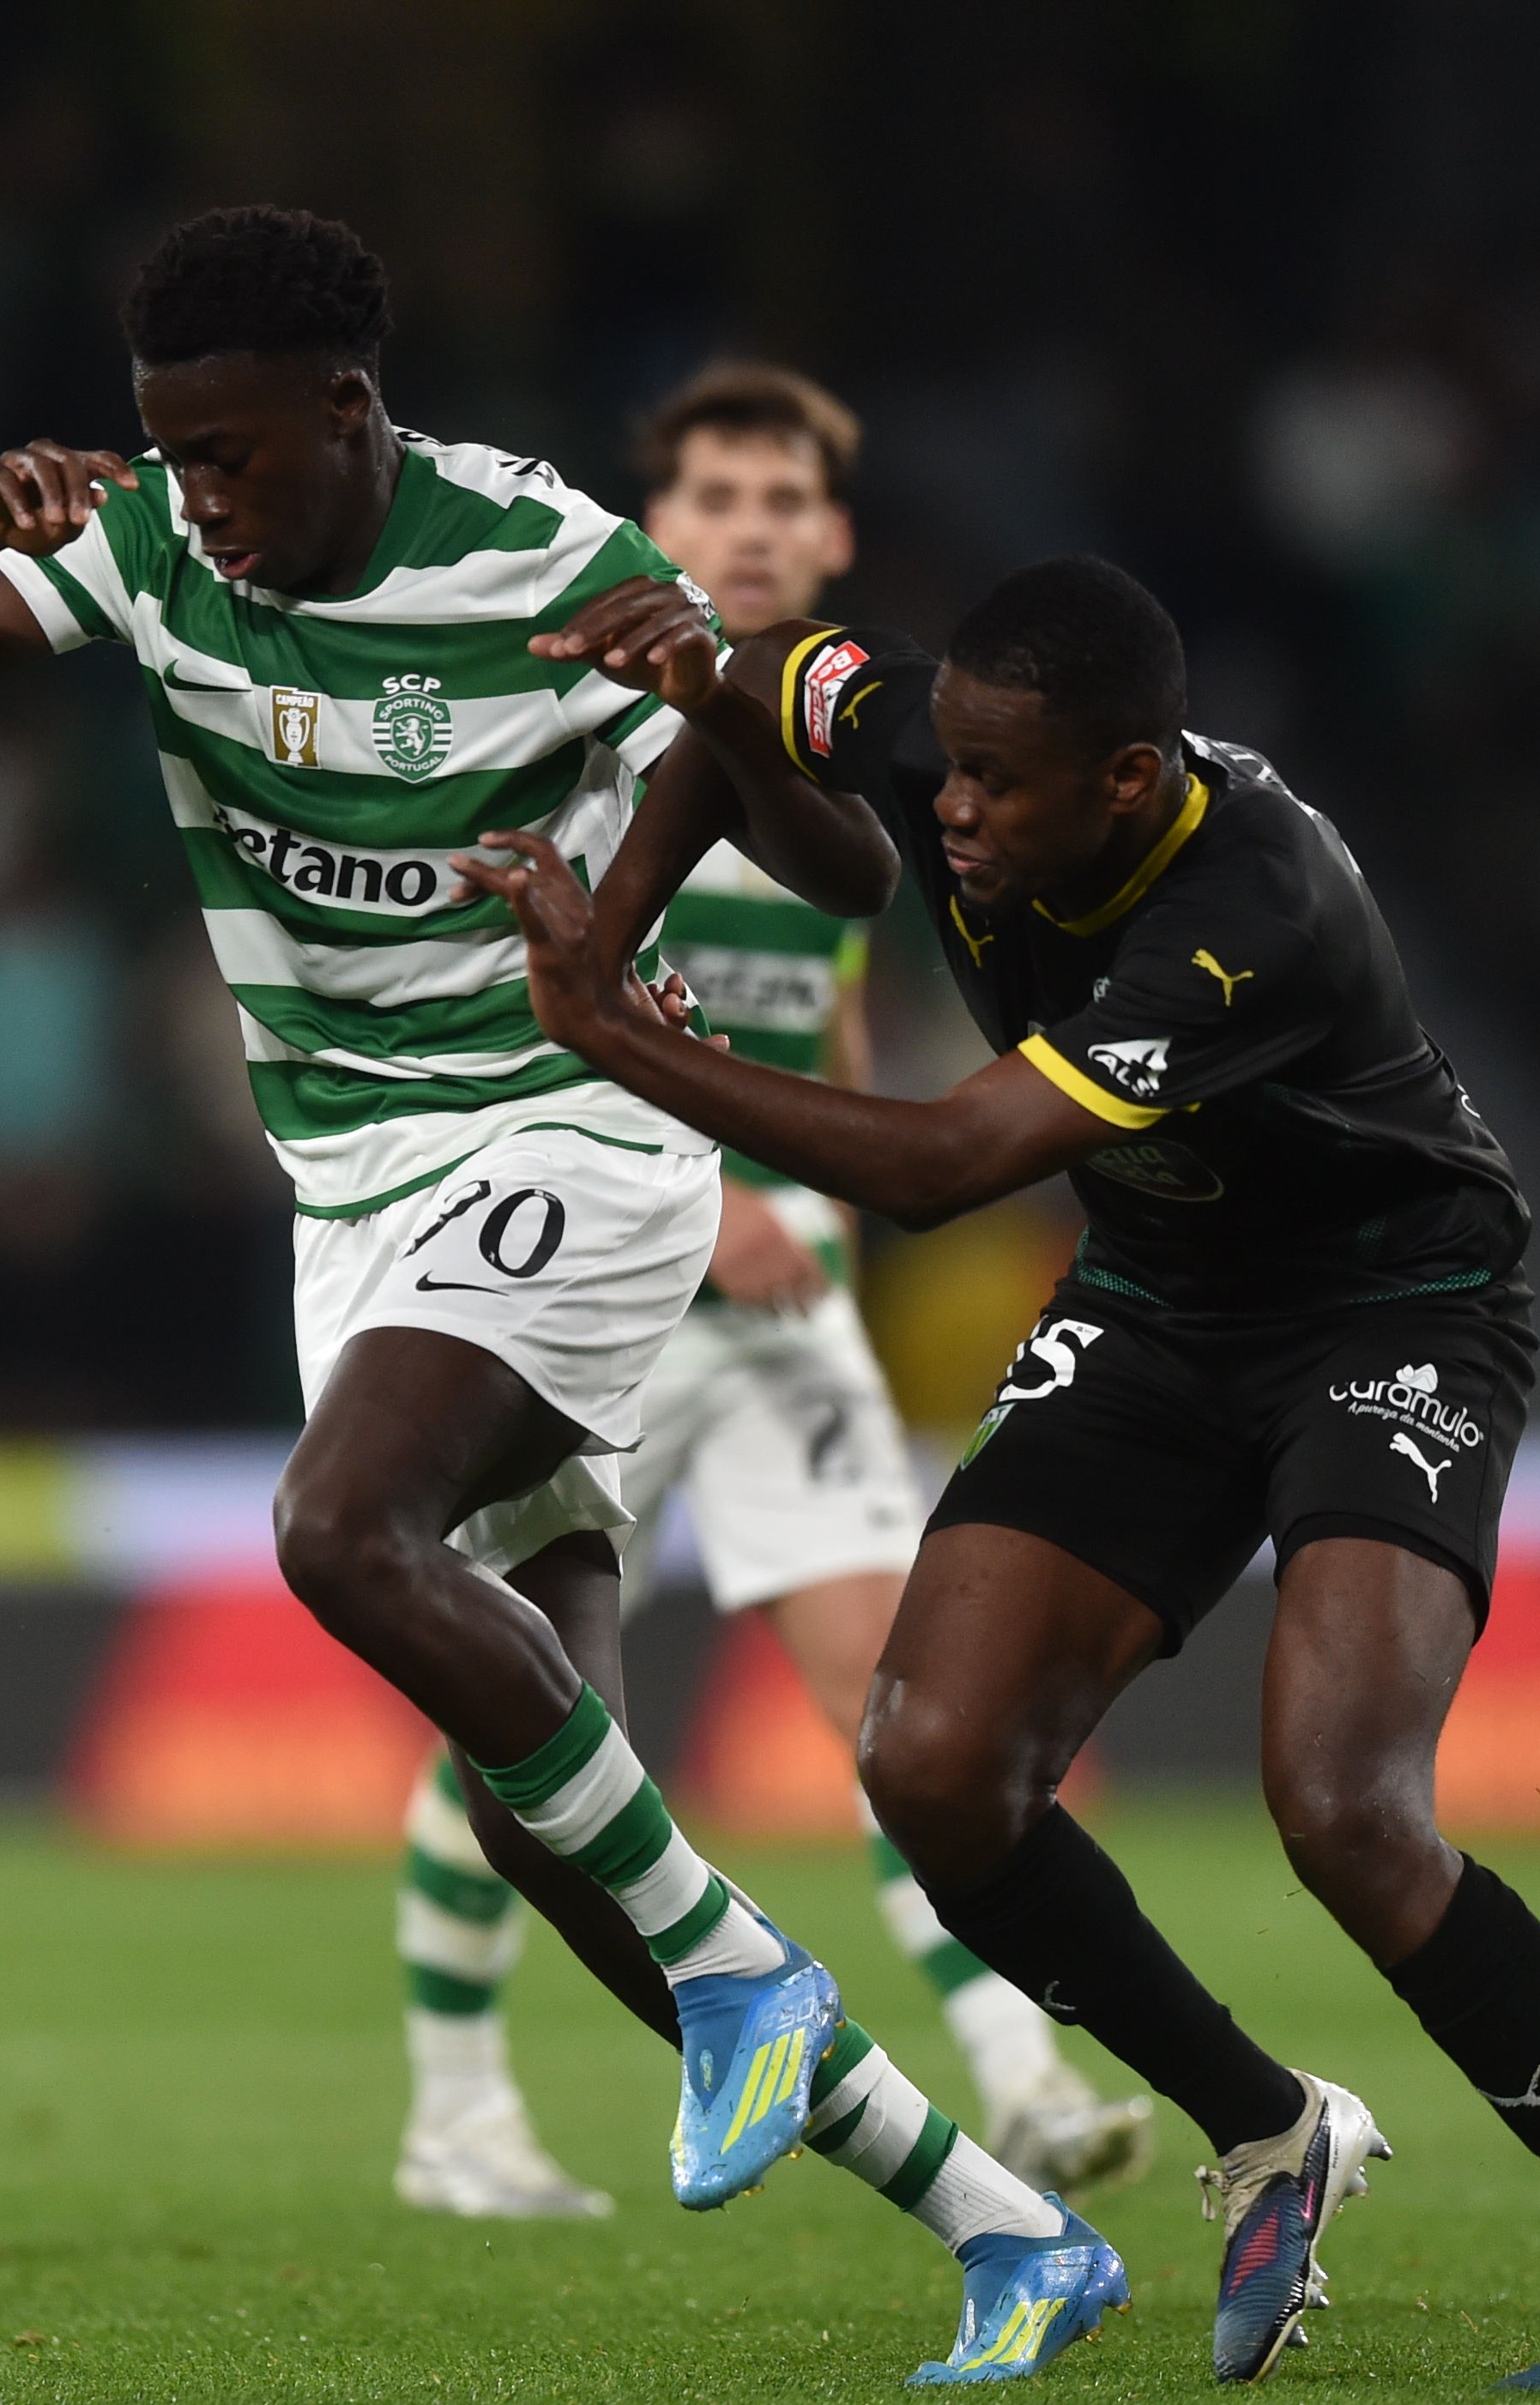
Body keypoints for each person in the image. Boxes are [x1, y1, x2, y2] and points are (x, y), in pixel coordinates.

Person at [0, 208, 1120, 2384]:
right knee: (544, 1800)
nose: (200, 496)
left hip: (574, 1135)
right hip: (355, 1197)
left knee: (333, 1528)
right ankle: (1001, 2225)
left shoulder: (539, 557)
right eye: (166, 454)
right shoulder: (154, 554)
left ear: (349, 412)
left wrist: (710, 704)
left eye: (233, 453)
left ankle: (750, 1994)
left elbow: (854, 868)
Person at [467, 553, 1540, 2390]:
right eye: (946, 767)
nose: (950, 806)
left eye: (996, 787)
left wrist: (610, 1035)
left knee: (1341, 1803)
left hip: (1387, 1305)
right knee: (933, 1764)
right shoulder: (943, 723)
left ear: (1124, 779)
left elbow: (946, 1165)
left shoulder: (1252, 908)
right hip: (1163, 1302)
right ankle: (1267, 2124)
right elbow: (744, 682)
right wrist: (621, 899)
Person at [389, 360, 1145, 2221]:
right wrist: (714, 1182)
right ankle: (458, 2102)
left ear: (831, 537)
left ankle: (1027, 2078)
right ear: (657, 525)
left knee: (894, 1694)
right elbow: (510, 993)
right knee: (537, 1708)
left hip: (781, 1300)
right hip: (589, 1282)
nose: (744, 524)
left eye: (777, 497)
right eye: (711, 494)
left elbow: (829, 1014)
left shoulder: (863, 752)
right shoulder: (571, 711)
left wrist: (838, 1185)